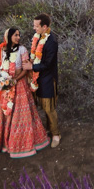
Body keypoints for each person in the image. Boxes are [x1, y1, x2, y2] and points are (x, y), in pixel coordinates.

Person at [0, 27, 50, 158]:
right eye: (16, 35)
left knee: (20, 113)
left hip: (19, 84)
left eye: (19, 35)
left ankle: (20, 144)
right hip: (7, 85)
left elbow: (25, 68)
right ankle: (4, 143)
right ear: (9, 36)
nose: (18, 37)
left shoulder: (22, 50)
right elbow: (0, 67)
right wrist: (1, 80)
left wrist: (15, 80)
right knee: (4, 111)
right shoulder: (2, 50)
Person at [29, 13, 60, 148]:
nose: (34, 28)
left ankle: (56, 135)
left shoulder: (51, 41)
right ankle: (49, 129)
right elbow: (36, 56)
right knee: (43, 107)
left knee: (49, 108)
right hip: (39, 78)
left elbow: (48, 64)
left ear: (44, 26)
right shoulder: (39, 37)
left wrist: (32, 66)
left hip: (48, 79)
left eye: (36, 26)